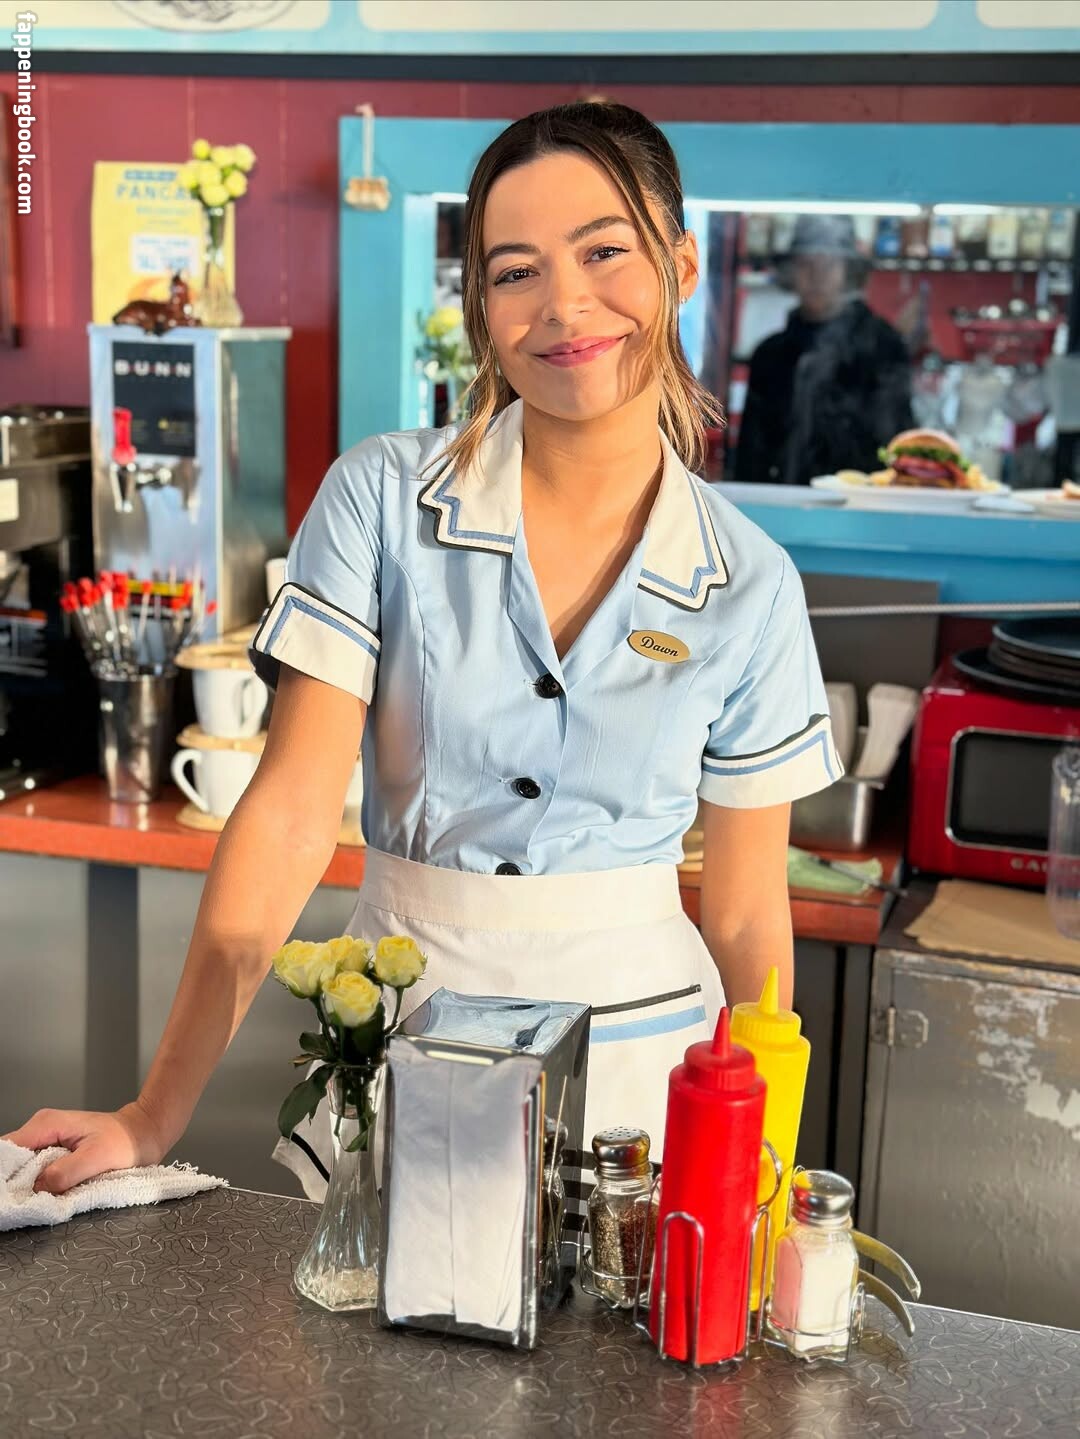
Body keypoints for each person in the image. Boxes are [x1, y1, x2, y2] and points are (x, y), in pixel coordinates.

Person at [3, 103, 841, 1199]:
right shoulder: (382, 500)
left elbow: (742, 910)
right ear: (480, 307)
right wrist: (154, 1111)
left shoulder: (752, 582)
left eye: (604, 251)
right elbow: (291, 813)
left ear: (680, 265)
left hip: (647, 1085)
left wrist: (761, 1164)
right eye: (515, 272)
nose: (564, 304)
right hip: (405, 1040)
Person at [734, 214, 914, 486]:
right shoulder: (770, 355)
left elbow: (898, 445)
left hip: (866, 503)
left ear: (847, 271)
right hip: (781, 503)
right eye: (807, 264)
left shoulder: (883, 346)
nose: (817, 276)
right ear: (791, 271)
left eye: (829, 264)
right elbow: (750, 458)